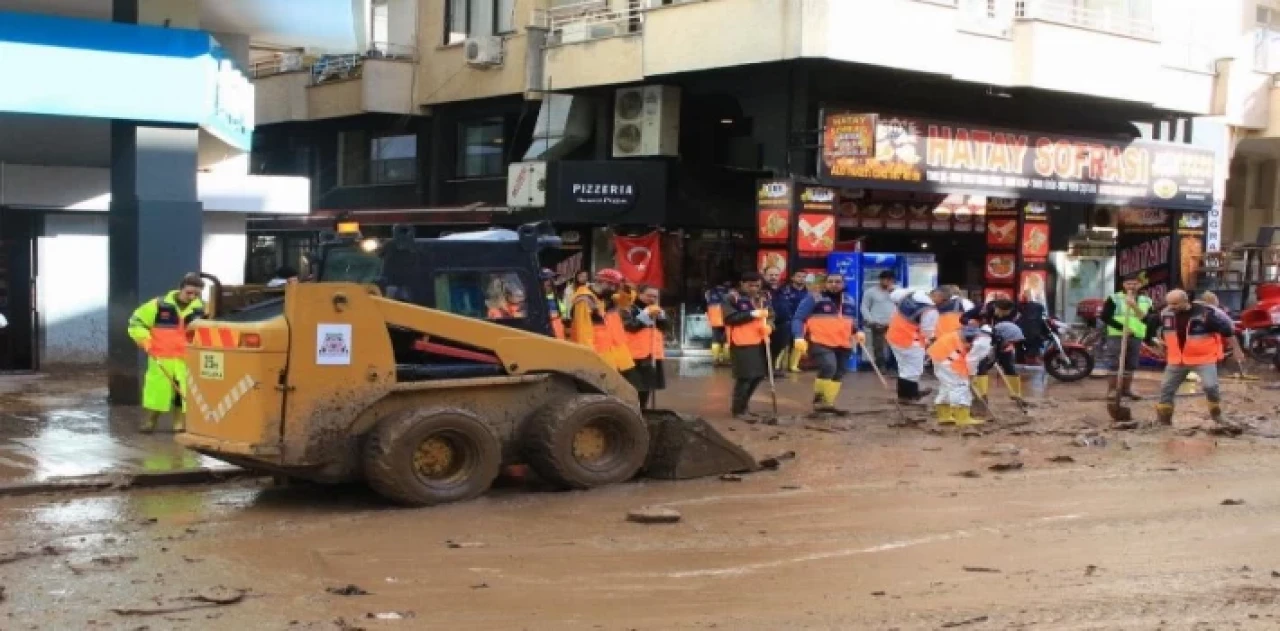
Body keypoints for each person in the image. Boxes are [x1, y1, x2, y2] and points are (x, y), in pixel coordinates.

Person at [127, 273, 206, 433]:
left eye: (196, 294)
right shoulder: (159, 305)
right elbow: (136, 322)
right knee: (158, 392)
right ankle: (150, 421)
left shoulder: (202, 309)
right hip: (161, 356)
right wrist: (146, 341)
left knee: (183, 393)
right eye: (189, 292)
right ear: (180, 289)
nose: (192, 297)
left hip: (187, 359)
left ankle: (179, 425)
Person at [1155, 289, 1235, 425]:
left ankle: (1217, 414)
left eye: (1175, 304)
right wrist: (1160, 344)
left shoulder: (1205, 314)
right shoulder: (1166, 313)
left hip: (1203, 359)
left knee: (1211, 387)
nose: (1171, 307)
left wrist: (1236, 350)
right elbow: (1161, 330)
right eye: (1169, 304)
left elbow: (1227, 330)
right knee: (1166, 389)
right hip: (1177, 360)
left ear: (1186, 301)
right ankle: (1164, 420)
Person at [792, 273, 865, 413]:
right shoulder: (814, 298)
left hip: (843, 343)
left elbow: (852, 320)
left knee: (839, 372)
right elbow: (798, 318)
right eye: (830, 281)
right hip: (820, 341)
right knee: (829, 366)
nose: (834, 284)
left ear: (843, 284)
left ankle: (828, 403)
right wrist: (798, 336)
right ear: (825, 284)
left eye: (837, 281)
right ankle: (819, 400)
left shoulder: (849, 300)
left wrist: (858, 331)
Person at [723, 271, 773, 420]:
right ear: (742, 284)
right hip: (741, 342)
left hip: (760, 341)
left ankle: (745, 406)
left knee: (758, 376)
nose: (754, 288)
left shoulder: (764, 297)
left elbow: (771, 315)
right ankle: (738, 410)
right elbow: (729, 318)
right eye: (750, 285)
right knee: (745, 377)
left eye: (757, 285)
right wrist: (751, 314)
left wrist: (770, 326)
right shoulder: (732, 298)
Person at [569, 269, 635, 374]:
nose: (615, 290)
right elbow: (583, 333)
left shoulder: (604, 297)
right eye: (613, 286)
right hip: (597, 356)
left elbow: (626, 301)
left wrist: (626, 287)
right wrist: (590, 359)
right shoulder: (585, 300)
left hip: (610, 355)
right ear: (603, 282)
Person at [886, 288, 945, 404]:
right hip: (910, 340)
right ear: (938, 297)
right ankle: (910, 396)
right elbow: (927, 331)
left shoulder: (912, 294)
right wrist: (932, 339)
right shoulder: (930, 310)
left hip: (894, 335)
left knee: (904, 367)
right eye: (943, 300)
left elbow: (893, 295)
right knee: (913, 370)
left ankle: (905, 394)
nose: (942, 304)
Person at [928, 324, 994, 426]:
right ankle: (962, 418)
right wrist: (971, 374)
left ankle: (944, 416)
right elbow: (972, 360)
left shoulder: (974, 333)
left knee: (947, 386)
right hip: (949, 359)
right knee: (961, 386)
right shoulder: (985, 341)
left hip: (939, 355)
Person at [1101, 275, 1154, 400]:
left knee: (1131, 363)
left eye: (1134, 283)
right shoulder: (1114, 298)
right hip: (1117, 334)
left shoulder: (1146, 300)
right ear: (1123, 285)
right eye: (1128, 283)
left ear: (1139, 285)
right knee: (1115, 362)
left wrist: (1150, 338)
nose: (1131, 286)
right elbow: (1105, 317)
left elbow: (1150, 320)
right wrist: (1122, 328)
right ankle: (1113, 390)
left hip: (1136, 335)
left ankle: (1126, 390)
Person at [622, 285, 667, 409]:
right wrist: (645, 315)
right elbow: (630, 326)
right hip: (633, 356)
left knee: (646, 389)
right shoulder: (628, 309)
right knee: (633, 390)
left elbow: (664, 330)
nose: (652, 299)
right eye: (649, 295)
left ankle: (643, 413)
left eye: (655, 296)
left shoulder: (656, 310)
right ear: (640, 294)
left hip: (651, 355)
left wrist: (662, 319)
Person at [860, 270, 897, 371]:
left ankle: (895, 366)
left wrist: (893, 292)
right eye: (885, 279)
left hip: (894, 324)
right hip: (878, 323)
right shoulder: (871, 292)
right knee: (878, 346)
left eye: (890, 280)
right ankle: (881, 366)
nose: (887, 282)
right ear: (880, 280)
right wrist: (870, 320)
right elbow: (864, 307)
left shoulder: (898, 291)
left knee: (895, 346)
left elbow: (903, 306)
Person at [762, 266, 795, 376]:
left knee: (778, 347)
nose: (773, 277)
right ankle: (765, 370)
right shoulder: (761, 290)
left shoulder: (785, 289)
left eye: (776, 275)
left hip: (783, 323)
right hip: (767, 323)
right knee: (765, 348)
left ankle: (770, 369)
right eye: (771, 275)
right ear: (765, 275)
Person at [705, 281, 731, 365]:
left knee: (715, 340)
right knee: (727, 340)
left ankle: (715, 360)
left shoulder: (709, 292)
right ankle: (726, 360)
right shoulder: (729, 291)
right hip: (726, 317)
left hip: (714, 318)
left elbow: (706, 303)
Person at [542, 269, 567, 339]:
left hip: (558, 328)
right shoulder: (538, 298)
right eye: (547, 279)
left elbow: (563, 310)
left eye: (552, 279)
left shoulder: (555, 296)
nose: (551, 281)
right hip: (547, 329)